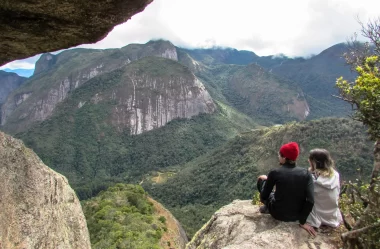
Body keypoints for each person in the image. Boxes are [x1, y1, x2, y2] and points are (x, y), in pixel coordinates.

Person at [257, 142, 314, 227]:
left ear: (284, 157)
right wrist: (302, 221)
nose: (278, 157)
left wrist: (266, 181)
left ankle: (267, 208)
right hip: (296, 215)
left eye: (279, 155)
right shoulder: (306, 174)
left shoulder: (275, 173)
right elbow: (310, 200)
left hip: (278, 214)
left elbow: (265, 195)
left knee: (262, 181)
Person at [300, 149, 342, 236]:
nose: (308, 160)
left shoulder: (312, 180)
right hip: (331, 215)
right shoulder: (335, 175)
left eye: (310, 159)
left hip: (316, 215)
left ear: (314, 162)